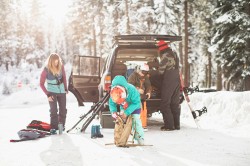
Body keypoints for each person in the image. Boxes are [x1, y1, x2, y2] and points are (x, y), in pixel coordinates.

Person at [109, 75, 144, 145]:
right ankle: (121, 138)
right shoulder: (114, 92)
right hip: (124, 107)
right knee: (121, 122)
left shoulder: (132, 90)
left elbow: (136, 103)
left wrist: (127, 112)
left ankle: (139, 138)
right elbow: (112, 103)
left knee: (136, 121)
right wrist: (113, 112)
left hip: (135, 107)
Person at [40, 53, 68, 134]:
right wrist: (47, 94)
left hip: (61, 91)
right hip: (51, 92)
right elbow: (41, 84)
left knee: (63, 110)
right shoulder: (46, 70)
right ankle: (53, 127)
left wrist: (65, 88)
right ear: (51, 62)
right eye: (55, 62)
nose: (56, 63)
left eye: (57, 62)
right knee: (53, 110)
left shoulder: (61, 66)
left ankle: (61, 126)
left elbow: (64, 77)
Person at [157, 40, 181, 131]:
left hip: (169, 80)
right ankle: (176, 125)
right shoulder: (174, 54)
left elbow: (161, 71)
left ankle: (169, 126)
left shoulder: (165, 56)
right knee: (174, 103)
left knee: (165, 103)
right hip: (176, 80)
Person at [128, 63, 152, 130]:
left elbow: (148, 85)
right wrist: (137, 89)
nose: (143, 74)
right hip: (133, 96)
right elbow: (129, 86)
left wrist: (148, 92)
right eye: (143, 72)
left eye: (145, 73)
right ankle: (135, 125)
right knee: (136, 111)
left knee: (143, 110)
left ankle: (143, 125)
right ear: (139, 70)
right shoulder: (133, 76)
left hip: (142, 97)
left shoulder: (145, 77)